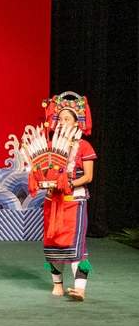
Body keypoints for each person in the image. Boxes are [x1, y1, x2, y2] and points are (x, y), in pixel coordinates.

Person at [39, 91, 96, 301]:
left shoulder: (84, 146)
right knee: (52, 242)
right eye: (60, 118)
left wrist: (69, 182)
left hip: (74, 202)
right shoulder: (51, 147)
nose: (62, 122)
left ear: (76, 122)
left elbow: (88, 176)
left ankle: (79, 288)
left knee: (75, 245)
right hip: (53, 202)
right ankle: (58, 284)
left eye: (66, 119)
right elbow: (43, 171)